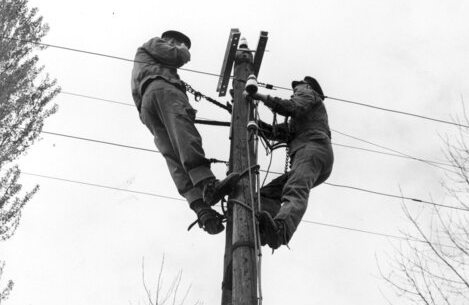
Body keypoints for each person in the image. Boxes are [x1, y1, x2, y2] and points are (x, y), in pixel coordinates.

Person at [131, 30, 232, 235]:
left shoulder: (148, 60)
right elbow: (177, 56)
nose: (180, 46)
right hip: (162, 91)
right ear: (171, 40)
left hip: (146, 106)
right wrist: (183, 50)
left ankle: (200, 208)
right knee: (185, 136)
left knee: (173, 156)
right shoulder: (154, 44)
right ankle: (207, 184)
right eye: (179, 43)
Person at [245, 76, 334, 248]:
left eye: (297, 88)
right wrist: (242, 117)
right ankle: (264, 230)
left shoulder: (309, 95)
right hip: (310, 152)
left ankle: (281, 230)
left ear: (307, 86)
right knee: (270, 192)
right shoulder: (301, 118)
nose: (294, 92)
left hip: (312, 148)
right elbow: (274, 132)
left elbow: (290, 107)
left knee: (295, 189)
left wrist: (262, 97)